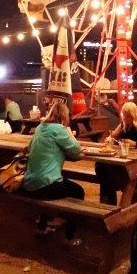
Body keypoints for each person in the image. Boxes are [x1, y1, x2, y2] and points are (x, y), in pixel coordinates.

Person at [22, 98, 84, 244]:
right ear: (64, 116)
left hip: (29, 182)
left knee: (54, 178)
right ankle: (70, 237)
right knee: (78, 191)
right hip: (45, 186)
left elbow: (30, 148)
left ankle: (42, 227)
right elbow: (76, 150)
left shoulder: (40, 127)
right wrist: (69, 133)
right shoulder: (59, 129)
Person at [98, 102, 137, 204]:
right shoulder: (123, 125)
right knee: (101, 165)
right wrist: (109, 140)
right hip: (125, 160)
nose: (125, 117)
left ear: (133, 115)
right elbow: (112, 136)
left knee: (105, 170)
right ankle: (108, 202)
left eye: (127, 115)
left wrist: (135, 144)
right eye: (124, 114)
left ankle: (108, 200)